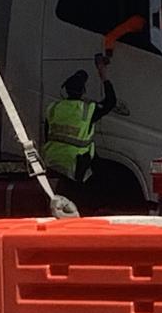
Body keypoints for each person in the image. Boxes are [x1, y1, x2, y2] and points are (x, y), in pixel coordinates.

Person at [43, 56, 116, 207]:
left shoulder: (53, 108)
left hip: (51, 160)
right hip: (74, 164)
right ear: (83, 91)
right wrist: (103, 73)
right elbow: (111, 101)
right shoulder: (87, 110)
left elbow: (47, 135)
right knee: (95, 184)